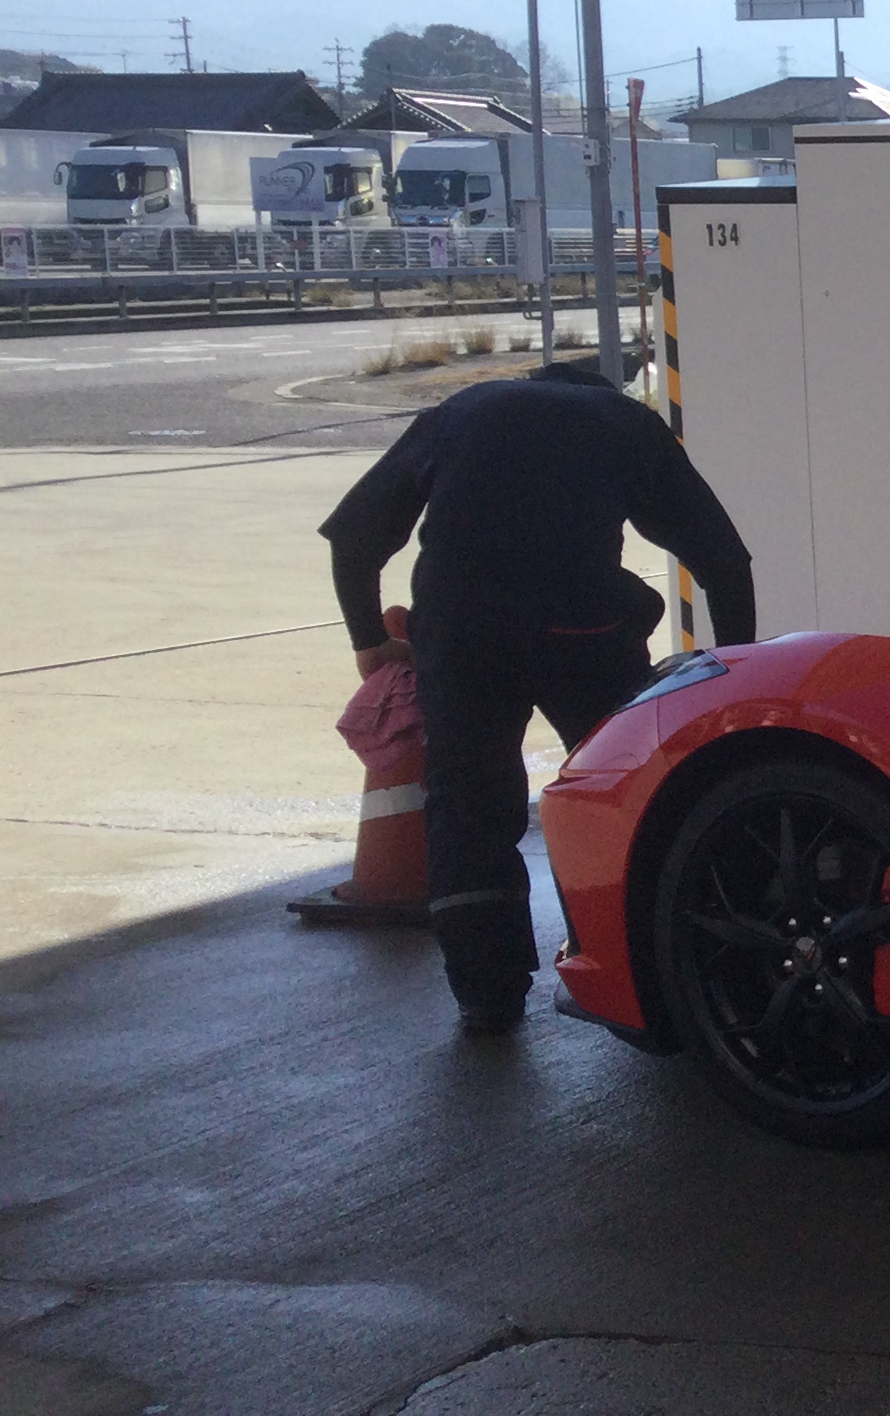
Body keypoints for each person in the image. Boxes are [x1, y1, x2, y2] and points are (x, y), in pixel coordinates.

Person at [322, 358, 756, 1033]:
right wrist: (737, 665)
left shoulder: (461, 413)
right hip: (582, 627)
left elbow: (354, 536)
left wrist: (367, 641)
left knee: (468, 801)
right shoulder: (623, 422)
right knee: (619, 796)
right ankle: (640, 976)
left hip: (462, 629)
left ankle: (487, 994)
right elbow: (725, 559)